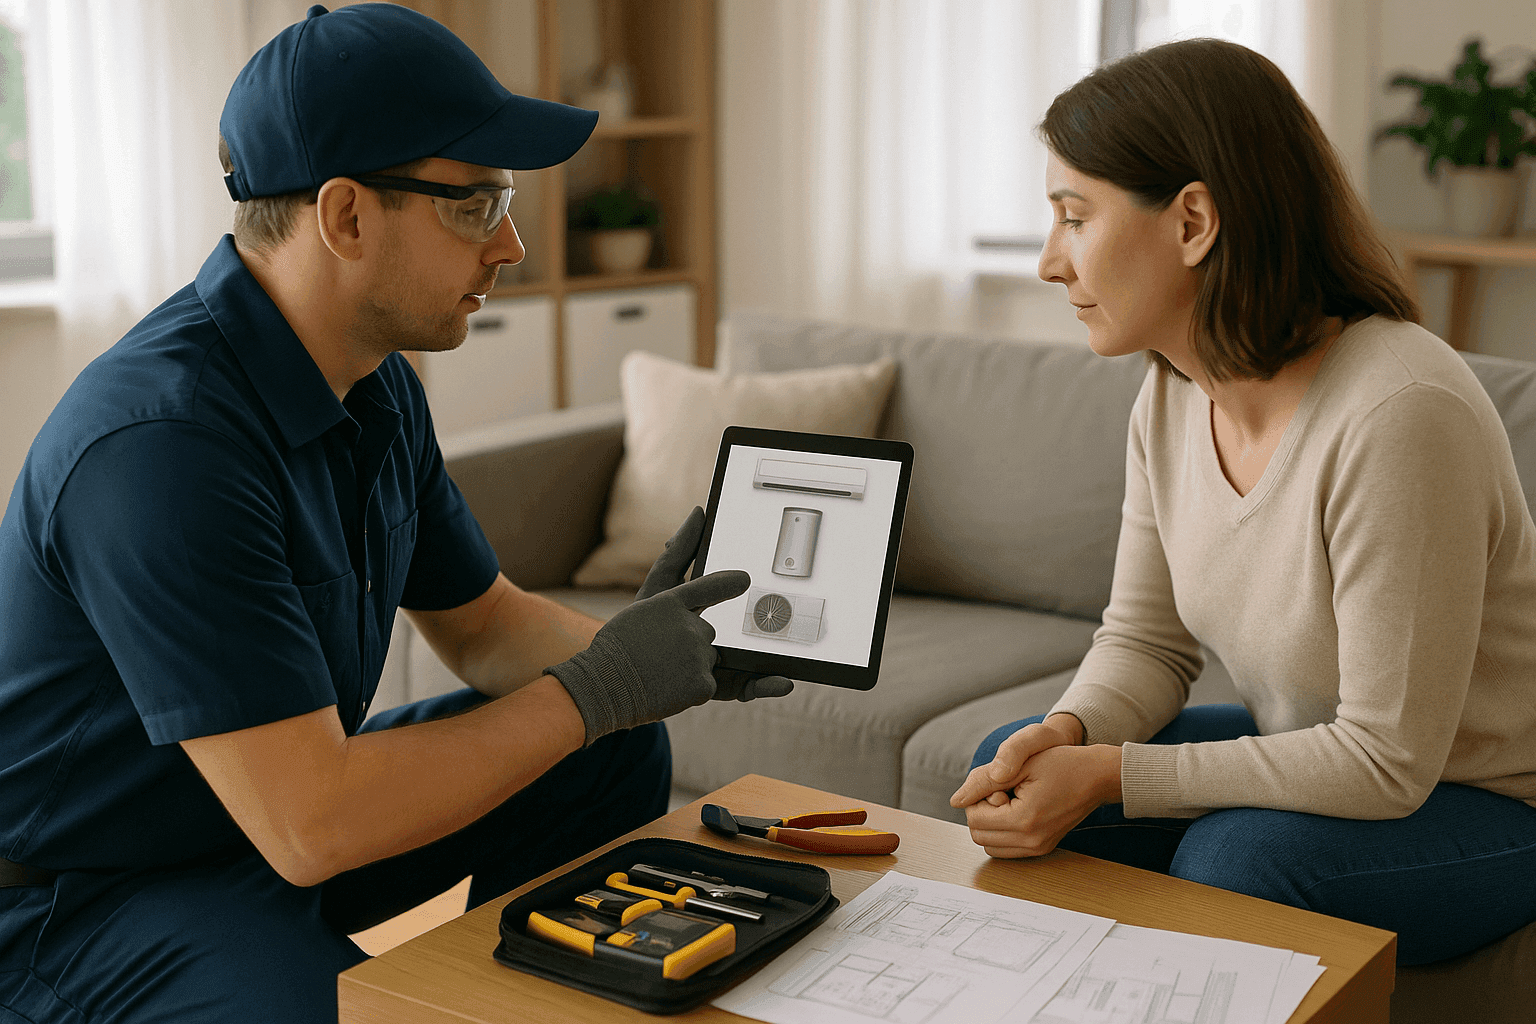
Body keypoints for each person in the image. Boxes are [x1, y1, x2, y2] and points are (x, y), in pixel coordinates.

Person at [0, 5, 788, 1021]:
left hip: (262, 825)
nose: (510, 246)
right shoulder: (162, 444)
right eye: (476, 204)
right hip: (86, 893)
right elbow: (312, 822)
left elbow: (486, 624)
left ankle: (526, 999)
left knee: (614, 746)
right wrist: (598, 687)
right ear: (346, 216)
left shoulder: (373, 383)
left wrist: (655, 656)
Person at [950, 37, 1536, 967]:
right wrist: (1068, 736)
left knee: (1240, 856)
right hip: (1330, 754)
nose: (1050, 263)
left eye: (1074, 217)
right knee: (1012, 754)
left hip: (1488, 799)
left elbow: (1386, 759)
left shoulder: (1398, 412)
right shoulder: (1175, 391)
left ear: (1192, 222)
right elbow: (1145, 642)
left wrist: (1114, 774)